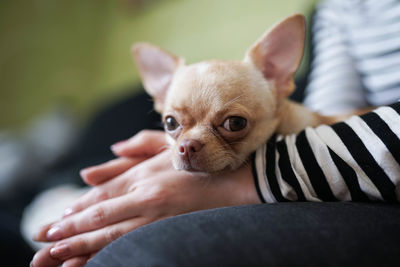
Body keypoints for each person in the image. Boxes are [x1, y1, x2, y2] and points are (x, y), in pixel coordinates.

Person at [30, 0, 400, 266]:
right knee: (112, 119)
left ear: (276, 76)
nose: (187, 145)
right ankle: (53, 180)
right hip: (326, 140)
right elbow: (330, 105)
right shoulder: (343, 7)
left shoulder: (271, 83)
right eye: (173, 123)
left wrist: (250, 178)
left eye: (232, 124)